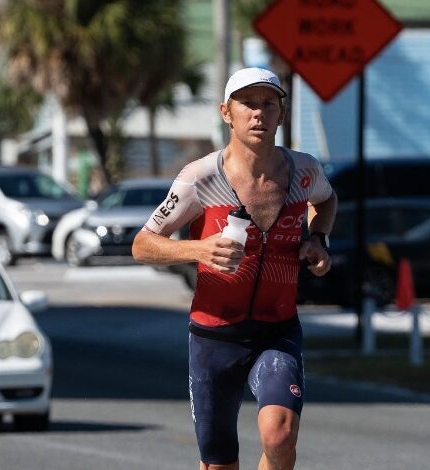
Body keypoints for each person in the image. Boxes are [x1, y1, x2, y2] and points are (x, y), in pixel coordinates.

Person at [132, 67, 337, 470]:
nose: (258, 114)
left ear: (281, 113)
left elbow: (327, 202)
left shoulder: (304, 171)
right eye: (248, 104)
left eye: (269, 104)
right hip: (214, 336)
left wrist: (318, 239)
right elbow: (142, 243)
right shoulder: (200, 178)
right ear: (227, 112)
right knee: (219, 464)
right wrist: (198, 250)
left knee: (279, 434)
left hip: (277, 330)